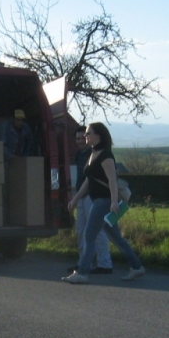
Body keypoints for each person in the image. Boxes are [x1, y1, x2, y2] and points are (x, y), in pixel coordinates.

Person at [62, 122, 145, 284]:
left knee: (89, 235)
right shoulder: (93, 154)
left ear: (98, 135)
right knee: (117, 238)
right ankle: (137, 267)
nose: (86, 136)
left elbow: (112, 180)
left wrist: (114, 202)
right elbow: (88, 180)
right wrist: (76, 198)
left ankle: (82, 272)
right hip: (98, 200)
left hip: (104, 202)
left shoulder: (106, 155)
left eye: (88, 133)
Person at [70, 125, 112, 274]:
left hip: (91, 196)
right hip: (81, 195)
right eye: (78, 139)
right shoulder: (79, 154)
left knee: (96, 231)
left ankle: (104, 263)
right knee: (81, 230)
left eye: (83, 137)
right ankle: (83, 263)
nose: (81, 141)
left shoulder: (94, 153)